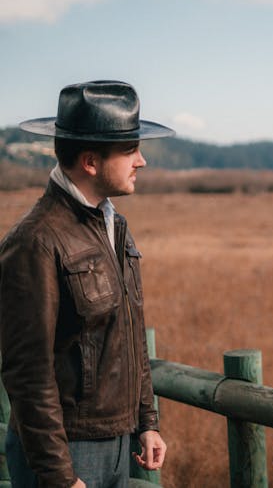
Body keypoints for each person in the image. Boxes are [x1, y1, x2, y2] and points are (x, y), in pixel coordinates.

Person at [0, 80, 174, 487]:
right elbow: (28, 371)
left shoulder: (114, 225)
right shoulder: (36, 241)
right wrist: (60, 476)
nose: (142, 161)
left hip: (117, 442)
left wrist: (146, 422)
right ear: (91, 162)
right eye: (130, 150)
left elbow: (129, 332)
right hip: (67, 451)